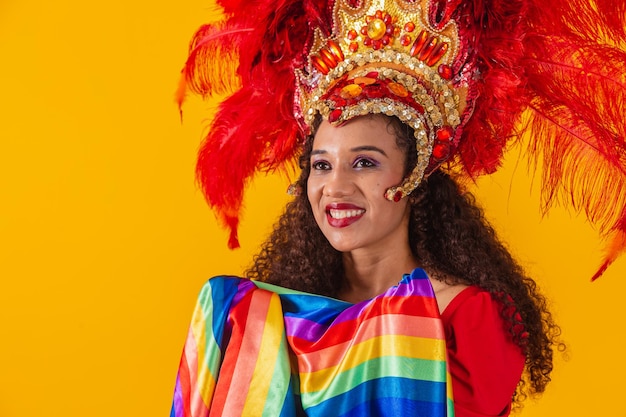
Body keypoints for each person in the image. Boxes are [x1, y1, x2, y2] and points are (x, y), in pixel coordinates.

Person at [171, 0, 625, 415]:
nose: (335, 186)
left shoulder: (467, 320)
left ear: (415, 177)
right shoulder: (251, 317)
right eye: (321, 165)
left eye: (364, 162)